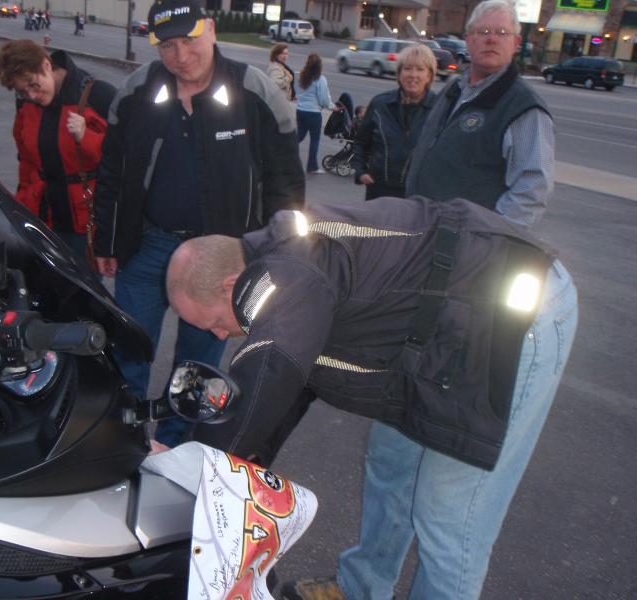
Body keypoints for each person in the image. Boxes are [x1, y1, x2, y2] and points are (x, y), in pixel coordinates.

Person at [165, 198, 578, 600]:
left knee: (449, 518)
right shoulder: (283, 279)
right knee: (391, 469)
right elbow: (285, 396)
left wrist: (195, 470)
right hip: (436, 329)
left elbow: (271, 372)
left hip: (506, 320)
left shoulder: (291, 274)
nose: (219, 336)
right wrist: (237, 465)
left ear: (229, 285)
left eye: (215, 322)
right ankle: (361, 588)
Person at [92, 0, 304, 447]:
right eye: (167, 45)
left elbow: (286, 181)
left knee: (198, 366)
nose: (180, 55)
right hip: (147, 247)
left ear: (210, 28)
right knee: (128, 351)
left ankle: (174, 445)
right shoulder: (137, 90)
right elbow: (112, 171)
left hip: (221, 261)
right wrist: (108, 239)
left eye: (189, 40)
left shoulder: (255, 92)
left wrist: (279, 256)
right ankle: (120, 441)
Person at [406, 0, 554, 230]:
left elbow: (531, 190)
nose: (491, 39)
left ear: (516, 43)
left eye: (502, 33)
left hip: (465, 246)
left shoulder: (523, 108)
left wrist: (490, 238)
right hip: (423, 229)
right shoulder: (454, 89)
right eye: (483, 31)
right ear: (468, 39)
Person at [0, 39, 116, 259]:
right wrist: (21, 205)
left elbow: (120, 160)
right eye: (23, 91)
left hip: (85, 222)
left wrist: (85, 137)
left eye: (34, 85)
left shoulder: (98, 95)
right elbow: (27, 162)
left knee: (80, 291)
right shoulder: (26, 105)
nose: (32, 96)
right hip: (43, 218)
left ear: (47, 65)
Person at [352, 44, 437, 200]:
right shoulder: (380, 104)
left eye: (420, 69)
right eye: (407, 69)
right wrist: (361, 172)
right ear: (399, 74)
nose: (413, 75)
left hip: (418, 196)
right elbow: (360, 142)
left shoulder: (439, 109)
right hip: (379, 192)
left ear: (429, 76)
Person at [296, 53, 337, 174]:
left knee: (299, 136)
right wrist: (332, 107)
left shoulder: (302, 76)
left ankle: (284, 155)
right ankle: (312, 166)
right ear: (319, 66)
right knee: (314, 140)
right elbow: (323, 99)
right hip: (313, 113)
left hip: (300, 110)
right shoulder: (320, 79)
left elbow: (300, 93)